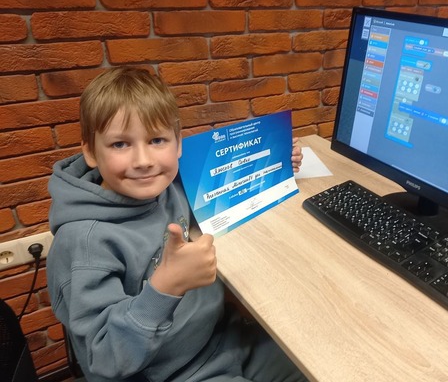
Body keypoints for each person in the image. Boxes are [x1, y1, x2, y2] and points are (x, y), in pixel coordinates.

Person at [46, 67, 306, 382]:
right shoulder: (84, 243)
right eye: (120, 145)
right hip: (169, 373)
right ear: (90, 151)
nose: (143, 161)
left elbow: (229, 185)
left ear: (178, 143)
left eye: (157, 140)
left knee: (315, 363)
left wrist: (277, 161)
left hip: (221, 337)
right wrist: (165, 287)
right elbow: (104, 357)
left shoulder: (168, 184)